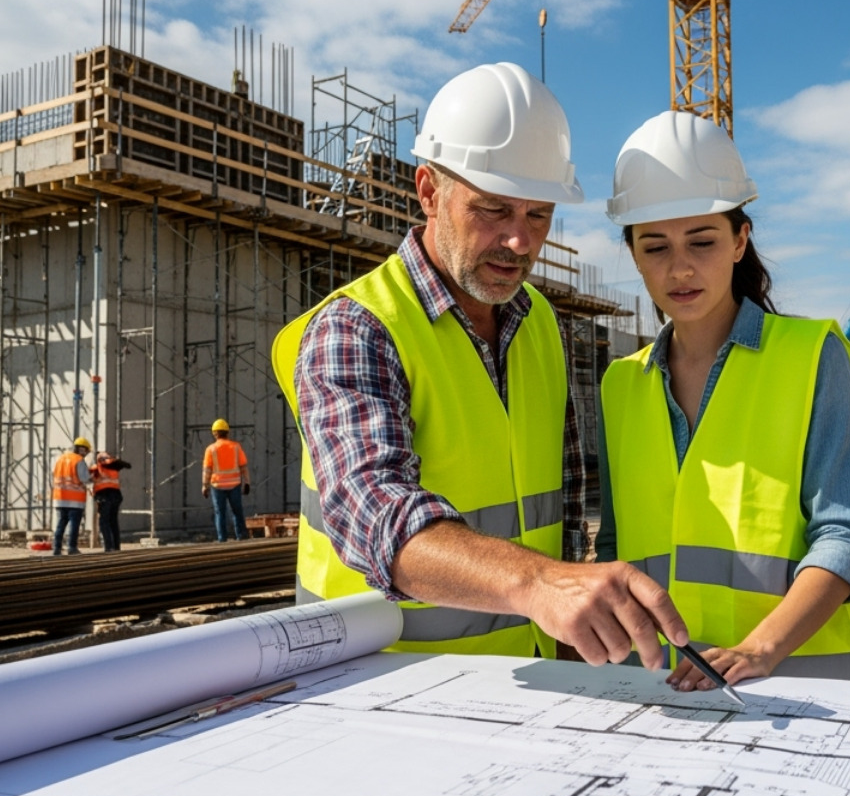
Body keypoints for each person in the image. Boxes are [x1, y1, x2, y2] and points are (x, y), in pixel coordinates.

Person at [273, 62, 689, 667]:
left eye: (538, 214)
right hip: (377, 683)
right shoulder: (357, 328)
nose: (520, 241)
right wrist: (541, 584)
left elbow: (564, 507)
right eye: (493, 209)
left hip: (525, 678)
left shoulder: (540, 322)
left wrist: (570, 641)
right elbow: (375, 512)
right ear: (428, 192)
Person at [596, 110, 850, 689]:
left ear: (739, 241)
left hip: (795, 691)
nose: (680, 268)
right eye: (655, 248)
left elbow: (845, 537)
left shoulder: (812, 358)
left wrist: (758, 649)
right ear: (633, 255)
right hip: (660, 690)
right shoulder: (620, 385)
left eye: (702, 241)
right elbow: (613, 547)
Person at [202, 419, 250, 541]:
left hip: (217, 486)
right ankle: (241, 536)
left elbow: (207, 470)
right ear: (227, 432)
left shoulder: (211, 449)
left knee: (220, 513)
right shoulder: (236, 447)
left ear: (214, 433)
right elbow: (243, 466)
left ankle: (222, 539)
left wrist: (205, 486)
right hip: (234, 485)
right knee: (237, 511)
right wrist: (247, 482)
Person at [51, 438, 92, 556]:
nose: (86, 454)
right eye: (86, 451)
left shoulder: (60, 459)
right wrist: (92, 478)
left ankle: (57, 548)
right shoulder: (78, 460)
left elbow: (53, 474)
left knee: (60, 524)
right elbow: (84, 478)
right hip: (75, 500)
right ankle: (72, 547)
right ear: (82, 449)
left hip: (59, 498)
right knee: (74, 525)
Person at [91, 451, 131, 551]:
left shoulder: (98, 467)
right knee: (113, 522)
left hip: (105, 496)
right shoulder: (115, 466)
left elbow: (86, 474)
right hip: (116, 495)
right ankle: (116, 547)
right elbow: (127, 465)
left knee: (104, 522)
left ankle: (109, 547)